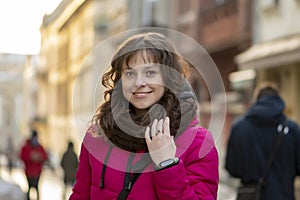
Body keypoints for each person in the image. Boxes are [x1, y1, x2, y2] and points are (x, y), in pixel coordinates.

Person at [69, 32, 219, 200]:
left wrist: (167, 165)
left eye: (150, 73)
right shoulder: (97, 135)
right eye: (130, 74)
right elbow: (80, 194)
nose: (139, 83)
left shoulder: (198, 143)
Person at [225, 82, 300, 200]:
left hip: (252, 196)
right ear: (278, 99)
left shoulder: (239, 128)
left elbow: (232, 168)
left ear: (256, 100)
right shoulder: (292, 129)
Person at [20, 129, 48, 200]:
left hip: (37, 172)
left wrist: (39, 157)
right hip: (29, 172)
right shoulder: (26, 146)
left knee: (36, 188)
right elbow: (22, 156)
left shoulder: (40, 147)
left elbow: (45, 157)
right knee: (29, 188)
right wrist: (30, 156)